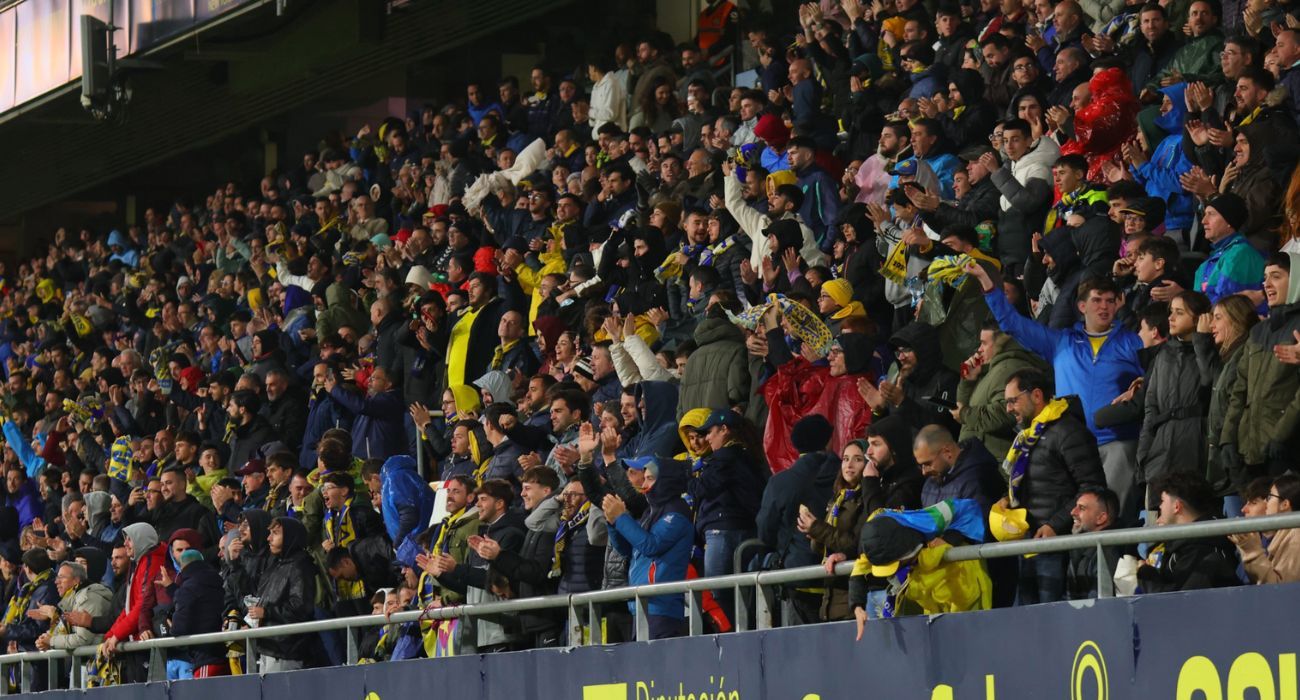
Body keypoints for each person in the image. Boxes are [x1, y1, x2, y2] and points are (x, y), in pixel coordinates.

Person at [968, 260, 1142, 516]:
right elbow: (1011, 323)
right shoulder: (1060, 342)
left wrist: (1138, 385)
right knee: (1075, 521)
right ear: (1082, 306)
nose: (1104, 306)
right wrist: (987, 283)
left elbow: (1153, 379)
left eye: (1109, 300)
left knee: (1111, 519)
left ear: (1118, 304)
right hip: (1070, 446)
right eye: (1096, 300)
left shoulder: (1133, 343)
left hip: (1117, 443)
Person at [1001, 368, 1107, 604]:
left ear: (1036, 396)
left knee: (1056, 622)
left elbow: (1092, 487)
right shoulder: (1028, 436)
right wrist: (1006, 499)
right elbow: (1036, 481)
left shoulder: (1069, 433)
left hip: (1058, 546)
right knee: (1029, 623)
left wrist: (1054, 525)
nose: (1008, 409)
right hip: (1029, 542)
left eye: (1012, 401)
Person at [756, 415, 838, 625]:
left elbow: (765, 530)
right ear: (829, 440)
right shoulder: (847, 474)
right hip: (842, 577)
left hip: (797, 577)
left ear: (795, 445)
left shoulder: (781, 482)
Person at [604, 457, 693, 640]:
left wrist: (621, 518)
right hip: (641, 605)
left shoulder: (677, 511)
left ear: (665, 480)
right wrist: (613, 523)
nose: (644, 485)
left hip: (661, 607)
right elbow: (630, 550)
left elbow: (651, 546)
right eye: (644, 478)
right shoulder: (651, 511)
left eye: (650, 479)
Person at [1137, 473, 1241, 593]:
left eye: (1162, 501)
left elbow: (1175, 602)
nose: (1159, 506)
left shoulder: (1203, 551)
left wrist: (1145, 574)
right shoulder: (1180, 546)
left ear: (1177, 506)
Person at [248, 517, 320, 672]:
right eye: (269, 533)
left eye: (275, 533)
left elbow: (301, 608)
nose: (269, 538)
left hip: (287, 652)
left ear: (290, 536)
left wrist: (266, 612)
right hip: (268, 649)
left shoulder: (301, 565)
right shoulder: (276, 564)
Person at [1229, 474, 1300, 584]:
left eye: (1269, 497)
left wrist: (1251, 551)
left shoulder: (1296, 540)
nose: (1266, 503)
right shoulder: (1288, 535)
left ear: (1285, 504)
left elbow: (1279, 590)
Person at [1064, 487, 1125, 599]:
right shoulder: (1080, 548)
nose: (1073, 512)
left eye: (1081, 508)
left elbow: (1100, 607)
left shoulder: (1109, 552)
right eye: (1075, 507)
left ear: (1101, 518)